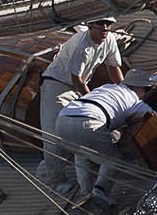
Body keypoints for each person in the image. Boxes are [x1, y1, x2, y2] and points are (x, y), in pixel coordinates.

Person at [37, 16, 124, 185]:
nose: (105, 27)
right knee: (54, 135)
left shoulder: (110, 39)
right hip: (57, 87)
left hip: (77, 86)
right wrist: (91, 101)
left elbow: (113, 67)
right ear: (91, 24)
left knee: (78, 129)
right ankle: (53, 178)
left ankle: (87, 173)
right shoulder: (82, 45)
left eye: (109, 24)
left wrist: (126, 92)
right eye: (101, 23)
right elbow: (77, 79)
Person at [52, 74, 157, 204]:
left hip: (62, 120)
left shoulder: (107, 87)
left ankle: (86, 193)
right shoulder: (136, 102)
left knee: (82, 154)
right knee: (114, 160)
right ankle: (100, 191)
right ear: (139, 88)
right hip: (89, 122)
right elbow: (154, 119)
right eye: (147, 90)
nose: (146, 94)